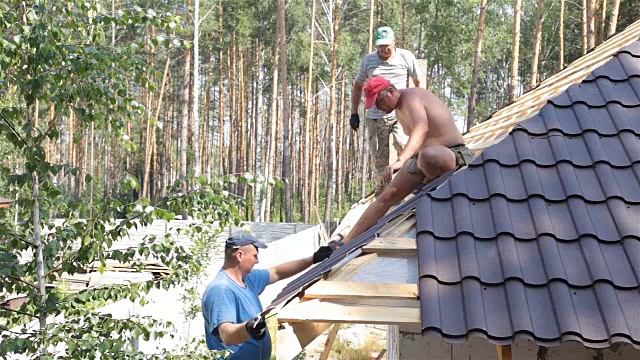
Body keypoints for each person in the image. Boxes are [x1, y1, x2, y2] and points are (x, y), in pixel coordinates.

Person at [337, 76, 473, 246]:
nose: (378, 108)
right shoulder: (398, 109)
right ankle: (347, 242)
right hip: (423, 161)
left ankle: (431, 188)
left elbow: (421, 127)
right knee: (387, 195)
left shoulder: (411, 98)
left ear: (391, 92)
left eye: (379, 102)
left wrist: (401, 160)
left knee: (427, 156)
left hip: (451, 155)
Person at [202, 232, 333, 359]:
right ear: (240, 255)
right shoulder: (222, 290)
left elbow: (277, 272)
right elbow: (227, 335)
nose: (257, 261)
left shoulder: (248, 279)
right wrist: (248, 328)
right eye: (254, 256)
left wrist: (313, 259)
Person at [350, 26, 422, 193]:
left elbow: (419, 82)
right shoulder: (368, 61)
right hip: (376, 117)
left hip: (400, 112)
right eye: (380, 46)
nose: (383, 49)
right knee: (379, 159)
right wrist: (354, 113)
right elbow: (358, 86)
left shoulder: (406, 57)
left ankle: (412, 186)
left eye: (387, 46)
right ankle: (382, 193)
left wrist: (418, 105)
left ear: (394, 41)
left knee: (405, 145)